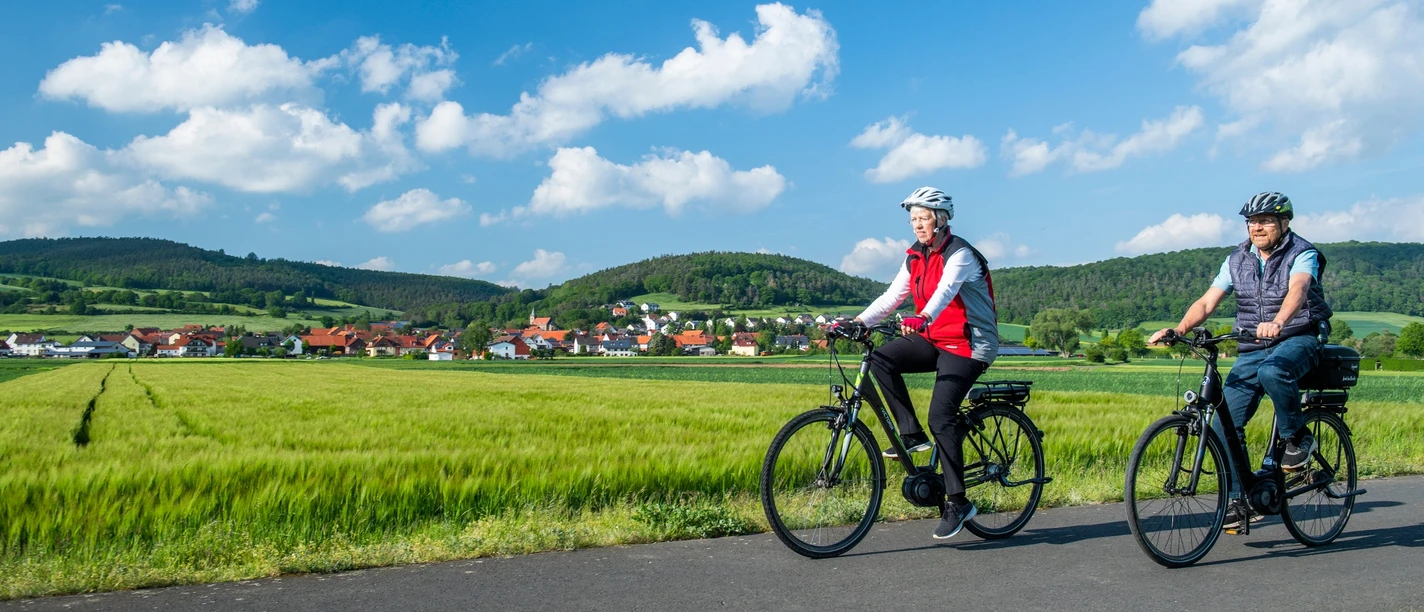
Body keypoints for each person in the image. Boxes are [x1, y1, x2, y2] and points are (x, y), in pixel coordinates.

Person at [1148, 191, 1331, 529]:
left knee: (1275, 371)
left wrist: (1279, 322)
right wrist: (1178, 328)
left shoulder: (1302, 253)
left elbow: (1299, 289)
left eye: (1264, 221)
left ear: (1284, 222)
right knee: (1223, 422)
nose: (1257, 228)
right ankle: (1240, 499)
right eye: (1251, 222)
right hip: (1252, 342)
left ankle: (1297, 438)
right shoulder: (1237, 260)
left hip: (1298, 336)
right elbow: (1207, 302)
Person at [839, 186, 999, 540]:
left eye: (923, 218)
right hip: (934, 339)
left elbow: (945, 290)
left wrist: (923, 316)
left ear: (941, 220)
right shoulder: (915, 256)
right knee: (882, 358)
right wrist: (857, 322)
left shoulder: (961, 255)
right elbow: (893, 296)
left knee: (941, 415)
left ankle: (958, 502)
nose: (917, 225)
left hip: (969, 344)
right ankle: (912, 438)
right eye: (913, 219)